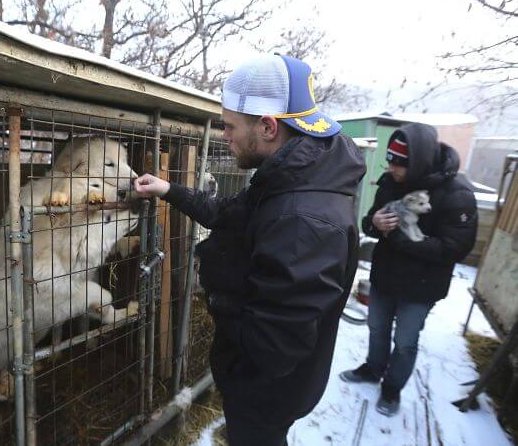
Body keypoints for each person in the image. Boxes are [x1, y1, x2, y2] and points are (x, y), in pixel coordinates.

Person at [134, 54, 366, 445]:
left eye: (228, 126)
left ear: (268, 126)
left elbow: (274, 347)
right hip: (262, 382)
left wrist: (217, 280)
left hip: (267, 392)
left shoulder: (303, 219)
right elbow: (229, 213)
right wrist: (168, 189)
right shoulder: (289, 179)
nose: (224, 135)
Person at [340, 123, 478, 416]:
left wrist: (400, 239)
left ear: (418, 162)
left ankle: (391, 389)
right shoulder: (391, 182)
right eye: (390, 161)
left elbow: (456, 248)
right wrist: (373, 224)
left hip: (421, 286)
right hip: (385, 277)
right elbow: (369, 223)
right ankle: (372, 368)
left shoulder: (456, 193)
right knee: (376, 328)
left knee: (404, 341)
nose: (391, 168)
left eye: (399, 164)